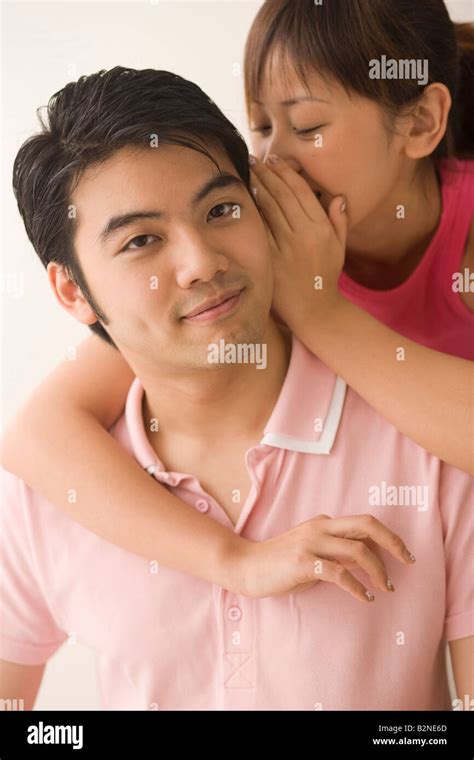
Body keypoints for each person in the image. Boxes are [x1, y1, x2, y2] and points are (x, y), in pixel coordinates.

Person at [0, 66, 472, 710]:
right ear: (72, 291)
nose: (203, 263)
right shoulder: (49, 493)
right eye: (143, 241)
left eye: (222, 210)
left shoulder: (431, 453)